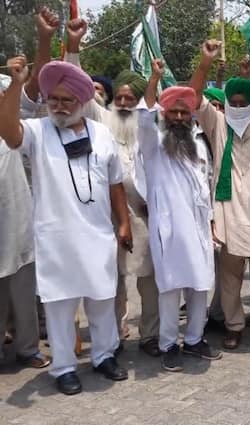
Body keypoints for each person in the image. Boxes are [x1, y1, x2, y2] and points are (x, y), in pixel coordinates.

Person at [0, 56, 130, 395]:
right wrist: (16, 84)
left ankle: (103, 356)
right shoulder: (38, 132)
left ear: (81, 102)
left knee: (102, 299)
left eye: (66, 99)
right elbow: (8, 132)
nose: (58, 105)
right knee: (60, 306)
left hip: (98, 235)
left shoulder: (101, 134)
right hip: (56, 238)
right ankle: (64, 367)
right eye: (53, 99)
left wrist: (124, 222)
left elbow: (115, 181)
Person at [60, 19, 160, 356]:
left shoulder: (150, 125)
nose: (124, 103)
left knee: (149, 281)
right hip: (109, 217)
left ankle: (150, 335)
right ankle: (114, 337)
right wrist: (73, 48)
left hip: (145, 216)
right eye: (119, 97)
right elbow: (81, 95)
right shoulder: (103, 120)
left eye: (131, 98)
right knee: (113, 282)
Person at [189, 40, 250, 350]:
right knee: (230, 276)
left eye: (244, 102)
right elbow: (194, 98)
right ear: (226, 104)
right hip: (228, 211)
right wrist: (205, 64)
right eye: (234, 102)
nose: (238, 107)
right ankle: (235, 325)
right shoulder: (218, 126)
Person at [137, 59, 222, 372]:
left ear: (190, 117)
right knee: (170, 289)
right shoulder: (154, 146)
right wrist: (153, 79)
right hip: (170, 232)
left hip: (199, 230)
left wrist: (211, 224)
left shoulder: (197, 147)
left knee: (200, 286)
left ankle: (196, 339)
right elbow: (144, 122)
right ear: (165, 115)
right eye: (173, 112)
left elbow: (203, 189)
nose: (178, 117)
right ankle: (168, 344)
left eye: (183, 112)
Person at [0, 71, 50, 370]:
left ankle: (28, 349)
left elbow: (31, 93)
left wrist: (18, 82)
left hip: (18, 225)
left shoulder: (15, 133)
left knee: (23, 292)